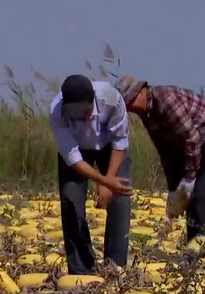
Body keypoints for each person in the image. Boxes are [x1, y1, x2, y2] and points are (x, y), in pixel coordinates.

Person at [114, 76, 205, 256]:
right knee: (192, 199)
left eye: (129, 103)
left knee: (203, 193)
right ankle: (195, 252)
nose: (130, 109)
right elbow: (167, 152)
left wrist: (189, 178)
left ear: (140, 93)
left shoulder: (166, 100)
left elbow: (191, 140)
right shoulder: (149, 116)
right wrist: (175, 189)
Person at [49, 74, 134, 274]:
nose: (81, 117)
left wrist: (108, 182)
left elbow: (120, 143)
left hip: (110, 149)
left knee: (119, 199)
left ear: (92, 100)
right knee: (71, 200)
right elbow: (73, 159)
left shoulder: (111, 99)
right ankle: (81, 270)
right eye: (75, 113)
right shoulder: (56, 111)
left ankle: (115, 267)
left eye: (84, 111)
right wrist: (103, 180)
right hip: (78, 152)